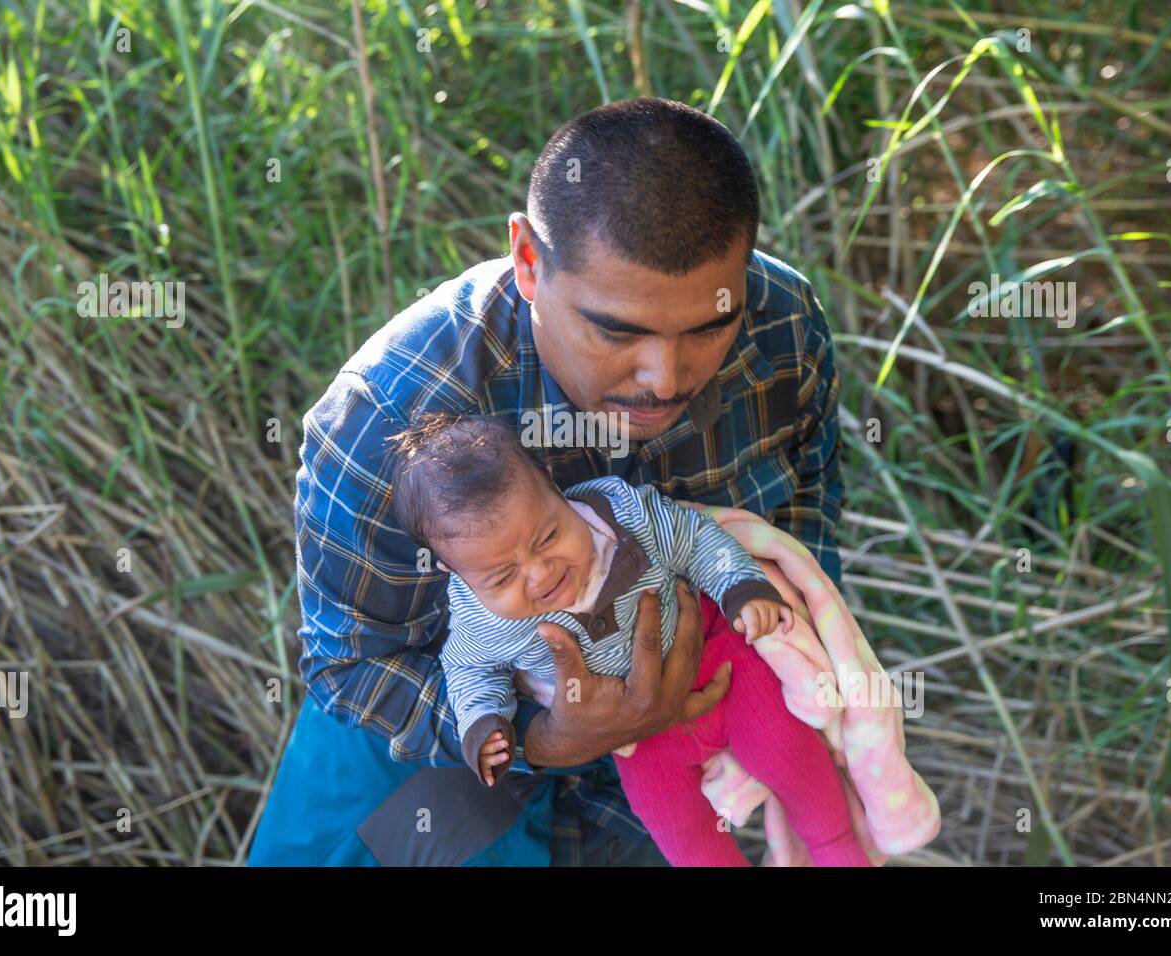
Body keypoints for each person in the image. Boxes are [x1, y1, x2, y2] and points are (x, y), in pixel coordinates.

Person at [247, 96, 845, 866]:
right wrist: (546, 739)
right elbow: (353, 668)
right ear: (528, 262)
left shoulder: (782, 322)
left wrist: (783, 668)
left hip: (682, 775)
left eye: (707, 329)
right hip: (442, 787)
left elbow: (809, 517)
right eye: (617, 330)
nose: (665, 379)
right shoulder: (386, 412)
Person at [385, 412, 870, 866]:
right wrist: (486, 723)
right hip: (634, 737)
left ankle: (838, 846)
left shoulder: (626, 518)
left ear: (553, 487)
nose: (539, 574)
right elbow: (471, 669)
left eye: (548, 536)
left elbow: (697, 539)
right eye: (502, 576)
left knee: (791, 755)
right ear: (454, 570)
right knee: (675, 828)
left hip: (720, 663)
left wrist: (740, 588)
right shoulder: (480, 621)